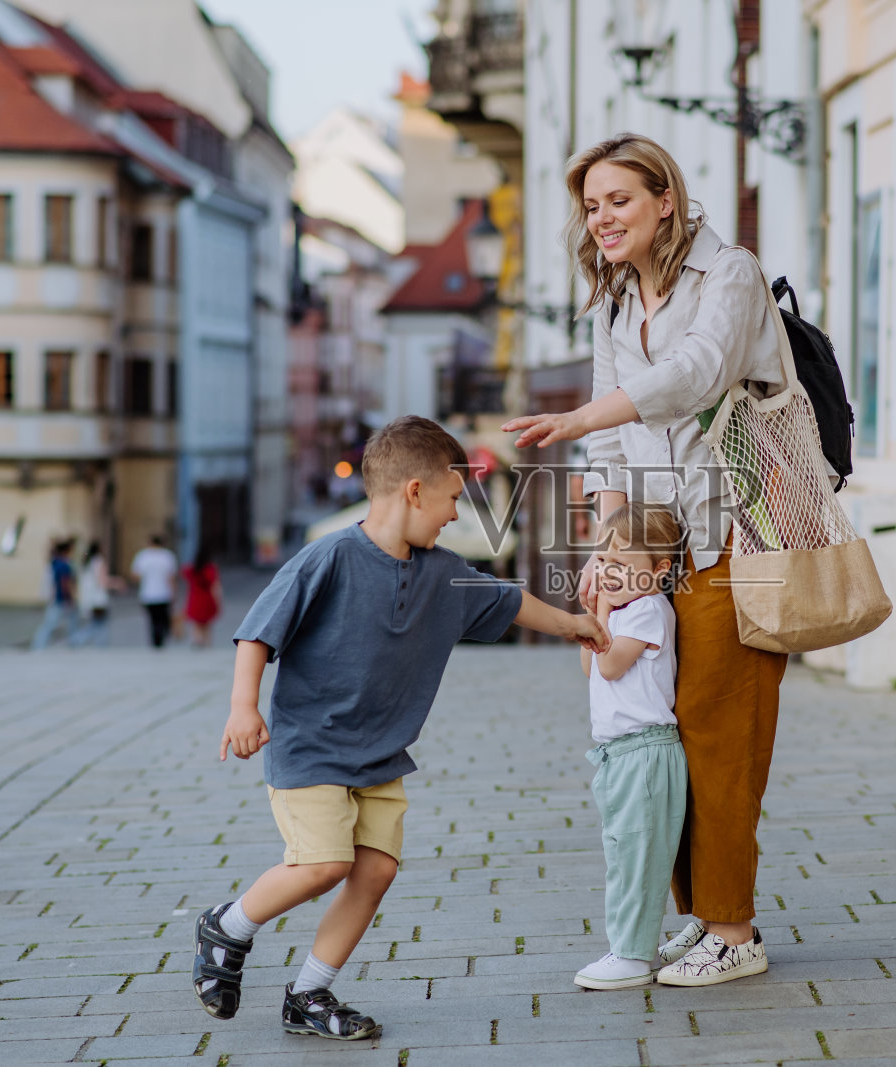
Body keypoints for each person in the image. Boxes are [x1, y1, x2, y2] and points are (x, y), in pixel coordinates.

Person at [191, 415, 609, 1042]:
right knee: (324, 863)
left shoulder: (443, 572)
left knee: (376, 871)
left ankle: (308, 993)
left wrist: (574, 624)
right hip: (312, 748)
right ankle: (229, 925)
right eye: (450, 499)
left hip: (382, 755)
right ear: (415, 491)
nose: (452, 514)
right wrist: (243, 707)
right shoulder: (329, 556)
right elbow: (258, 631)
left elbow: (509, 601)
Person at [502, 133, 790, 986]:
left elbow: (699, 374)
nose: (601, 219)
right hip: (662, 543)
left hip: (739, 533)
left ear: (666, 198)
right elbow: (621, 442)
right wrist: (612, 545)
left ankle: (734, 933)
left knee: (720, 736)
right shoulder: (616, 302)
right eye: (591, 206)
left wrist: (584, 419)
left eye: (618, 199)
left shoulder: (727, 274)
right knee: (662, 734)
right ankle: (704, 917)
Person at [574, 503, 688, 990]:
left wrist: (599, 610)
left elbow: (611, 665)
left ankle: (633, 956)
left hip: (645, 752)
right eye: (603, 563)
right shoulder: (625, 612)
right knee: (623, 851)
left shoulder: (646, 611)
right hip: (621, 754)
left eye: (623, 566)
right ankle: (631, 947)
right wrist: (595, 617)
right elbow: (589, 666)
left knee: (636, 857)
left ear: (660, 572)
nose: (610, 574)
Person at [71, 540, 124, 647]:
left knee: (96, 623)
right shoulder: (99, 562)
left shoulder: (85, 563)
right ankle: (85, 641)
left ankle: (85, 641)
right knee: (100, 624)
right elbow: (102, 582)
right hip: (98, 598)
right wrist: (117, 583)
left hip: (87, 598)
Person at [130, 533, 178, 648]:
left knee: (152, 619)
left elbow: (135, 575)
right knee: (162, 618)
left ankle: (156, 640)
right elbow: (171, 578)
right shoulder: (167, 556)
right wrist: (174, 593)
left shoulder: (143, 556)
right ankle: (161, 637)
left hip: (148, 594)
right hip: (164, 593)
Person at [30, 538, 78, 650]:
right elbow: (64, 582)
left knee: (53, 623)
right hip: (60, 599)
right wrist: (69, 597)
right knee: (52, 623)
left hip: (56, 598)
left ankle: (39, 645)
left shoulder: (55, 562)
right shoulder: (63, 565)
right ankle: (38, 645)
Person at [182, 545, 222, 649]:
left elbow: (184, 572)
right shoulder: (210, 569)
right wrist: (218, 601)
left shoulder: (192, 569)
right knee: (207, 624)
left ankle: (197, 640)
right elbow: (215, 586)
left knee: (196, 623)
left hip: (195, 598)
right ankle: (207, 643)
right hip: (207, 599)